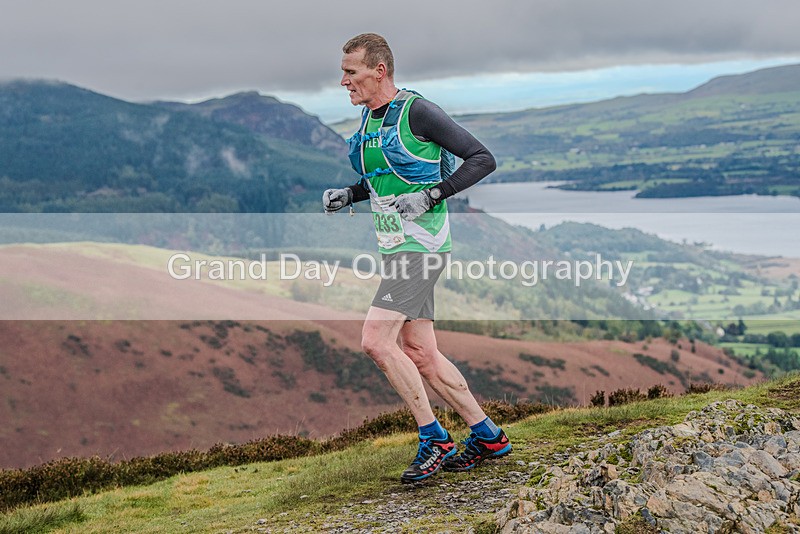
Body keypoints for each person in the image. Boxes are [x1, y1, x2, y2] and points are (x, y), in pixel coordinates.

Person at [323, 33, 511, 483]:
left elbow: (482, 158)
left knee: (375, 340)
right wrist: (350, 193)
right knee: (421, 353)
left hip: (420, 249)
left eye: (351, 71)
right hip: (395, 249)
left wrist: (435, 195)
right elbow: (388, 178)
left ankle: (434, 437)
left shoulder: (417, 111)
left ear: (379, 70)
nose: (343, 80)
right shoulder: (370, 121)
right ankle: (487, 435)